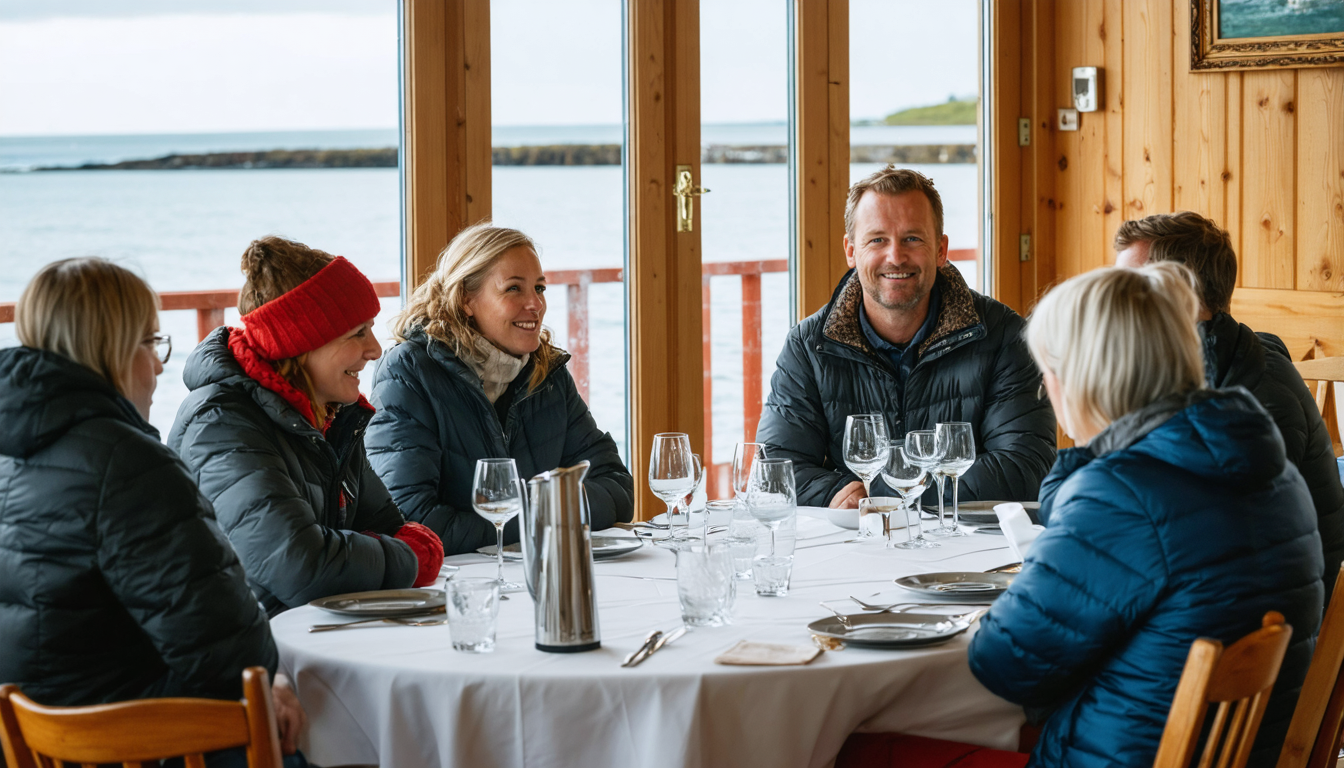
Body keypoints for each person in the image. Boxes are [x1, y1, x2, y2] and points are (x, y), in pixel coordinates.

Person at [969, 263, 1323, 768]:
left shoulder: (1123, 492)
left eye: (1047, 372)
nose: (1046, 390)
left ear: (1083, 378)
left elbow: (1004, 664)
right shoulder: (1267, 466)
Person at [0, 258, 307, 760]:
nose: (160, 365)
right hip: (134, 743)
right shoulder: (127, 463)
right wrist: (269, 678)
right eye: (151, 343)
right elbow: (225, 645)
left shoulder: (12, 449)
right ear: (113, 348)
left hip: (36, 742)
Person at [168, 237, 443, 617]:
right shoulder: (221, 424)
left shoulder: (330, 415)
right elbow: (301, 566)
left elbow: (386, 527)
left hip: (312, 628)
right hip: (250, 643)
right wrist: (407, 558)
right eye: (357, 333)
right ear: (300, 343)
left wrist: (381, 550)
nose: (375, 349)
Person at [756, 166, 1055, 508]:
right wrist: (836, 492)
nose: (896, 257)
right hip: (855, 537)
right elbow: (774, 469)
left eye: (912, 238)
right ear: (851, 250)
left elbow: (1026, 467)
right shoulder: (808, 345)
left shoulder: (1004, 335)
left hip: (963, 539)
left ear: (940, 249)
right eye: (877, 239)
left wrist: (881, 497)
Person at [365, 223, 633, 555]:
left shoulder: (547, 371)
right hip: (457, 581)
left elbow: (618, 489)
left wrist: (518, 516)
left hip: (539, 570)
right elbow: (411, 522)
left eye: (539, 288)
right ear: (466, 299)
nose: (535, 304)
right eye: (513, 289)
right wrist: (551, 510)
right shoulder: (409, 372)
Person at [1115, 210, 1344, 599]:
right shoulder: (1191, 367)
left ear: (1180, 294)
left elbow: (1214, 540)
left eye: (1126, 288)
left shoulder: (1260, 397)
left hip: (1272, 615)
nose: (1112, 303)